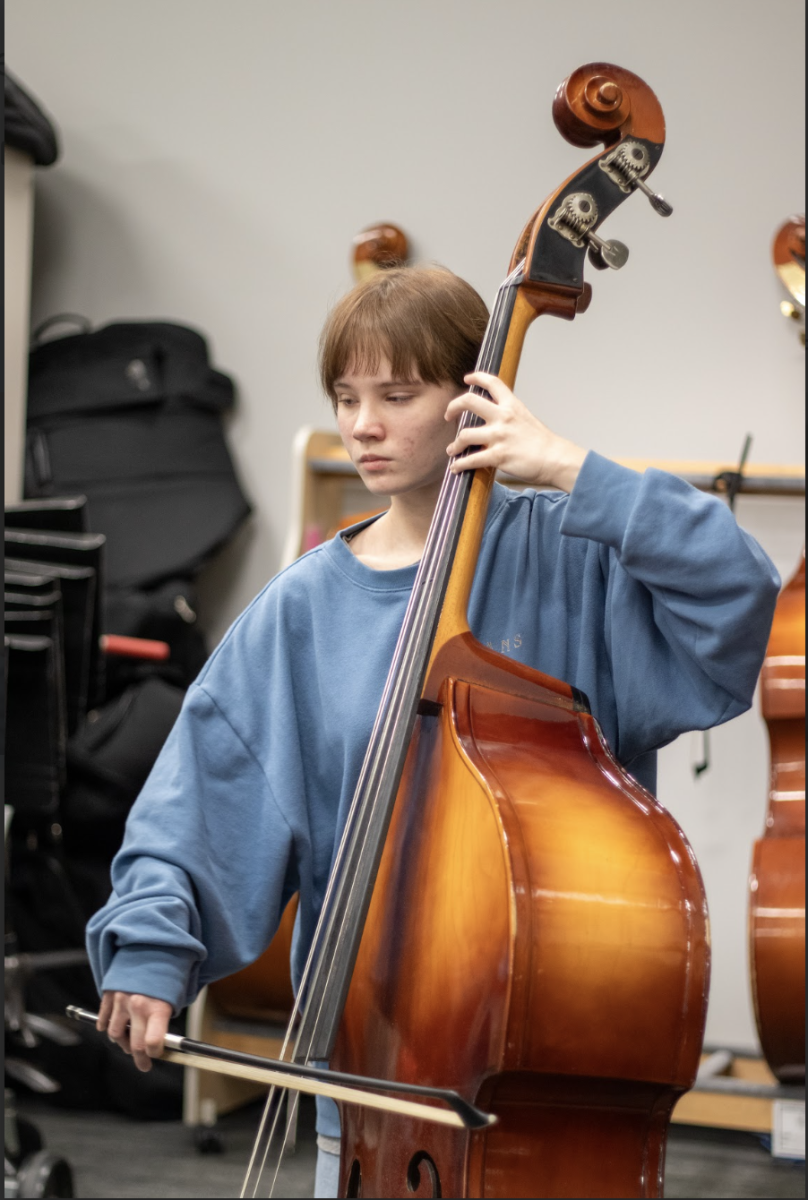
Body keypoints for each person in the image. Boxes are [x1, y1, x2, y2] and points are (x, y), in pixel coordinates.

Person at [87, 265, 779, 1197]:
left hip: (560, 1077)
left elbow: (740, 602)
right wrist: (149, 950)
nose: (363, 425)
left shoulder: (571, 559)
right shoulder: (301, 611)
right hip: (370, 1094)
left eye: (398, 395)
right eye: (346, 397)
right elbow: (201, 803)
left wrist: (581, 475)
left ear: (473, 398)